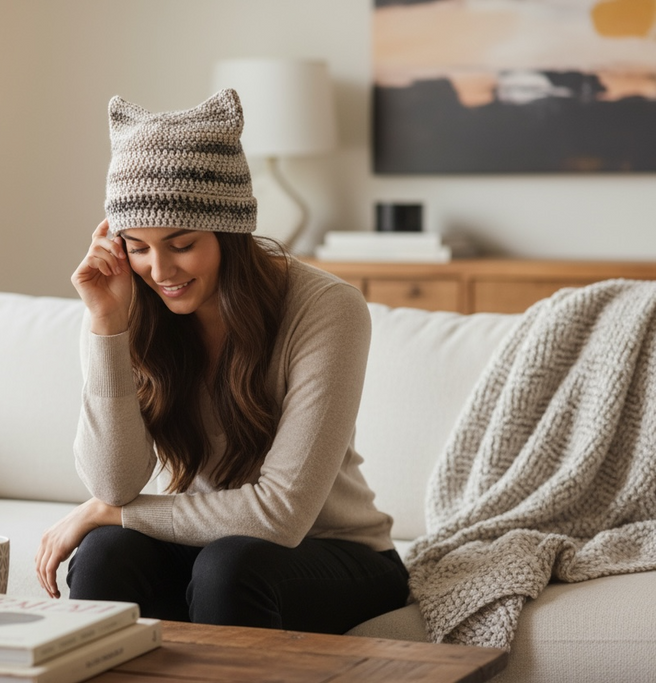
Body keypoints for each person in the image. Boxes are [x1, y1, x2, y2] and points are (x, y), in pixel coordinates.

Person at [34, 89, 409, 634]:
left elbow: (280, 515)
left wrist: (114, 512)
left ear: (229, 231)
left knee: (229, 567)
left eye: (181, 244)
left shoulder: (328, 308)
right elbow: (113, 484)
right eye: (137, 246)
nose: (160, 270)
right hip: (211, 550)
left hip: (336, 554)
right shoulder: (127, 304)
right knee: (105, 554)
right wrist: (107, 325)